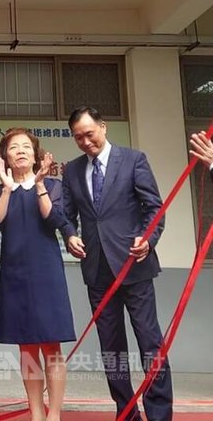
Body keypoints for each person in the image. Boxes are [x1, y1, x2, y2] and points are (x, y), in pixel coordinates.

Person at [62, 107, 172, 421]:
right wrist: (69, 235)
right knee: (112, 349)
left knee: (150, 343)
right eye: (78, 138)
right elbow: (67, 216)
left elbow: (154, 208)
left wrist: (148, 240)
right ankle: (126, 412)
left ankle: (159, 414)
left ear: (103, 127)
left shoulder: (133, 160)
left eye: (89, 134)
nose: (85, 142)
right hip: (97, 270)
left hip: (134, 267)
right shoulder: (72, 170)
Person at [0, 128, 75, 421]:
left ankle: (54, 414)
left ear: (36, 155)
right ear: (4, 157)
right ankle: (36, 412)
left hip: (47, 273)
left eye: (26, 146)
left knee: (52, 345)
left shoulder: (53, 185)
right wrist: (7, 188)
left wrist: (39, 185)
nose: (21, 151)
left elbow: (54, 220)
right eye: (14, 147)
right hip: (14, 275)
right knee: (26, 347)